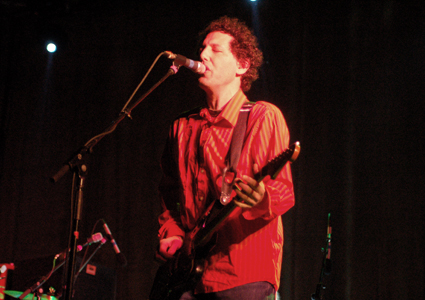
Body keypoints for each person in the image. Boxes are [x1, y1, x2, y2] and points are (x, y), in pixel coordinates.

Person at [156, 16, 295, 300]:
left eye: (215, 49)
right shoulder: (181, 127)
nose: (203, 55)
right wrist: (171, 232)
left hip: (244, 274)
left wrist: (262, 198)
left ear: (242, 66)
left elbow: (284, 191)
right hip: (187, 277)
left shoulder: (262, 117)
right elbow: (170, 195)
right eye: (203, 49)